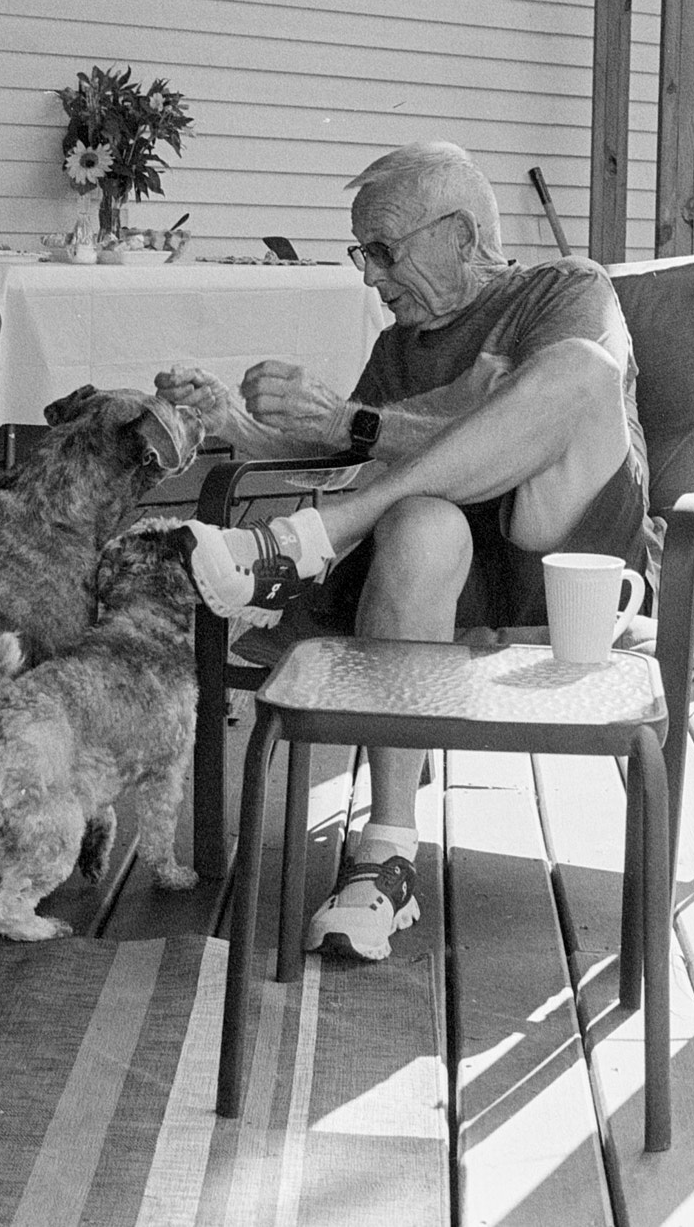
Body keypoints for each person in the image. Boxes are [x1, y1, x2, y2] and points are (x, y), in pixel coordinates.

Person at [156, 141, 653, 963]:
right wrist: (241, 429)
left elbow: (553, 417)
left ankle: (304, 543)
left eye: (383, 249)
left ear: (459, 235)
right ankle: (383, 858)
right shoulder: (397, 350)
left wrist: (353, 427)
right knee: (421, 520)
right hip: (450, 585)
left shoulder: (566, 289)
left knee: (581, 370)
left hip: (569, 568)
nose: (369, 275)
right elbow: (376, 458)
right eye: (362, 253)